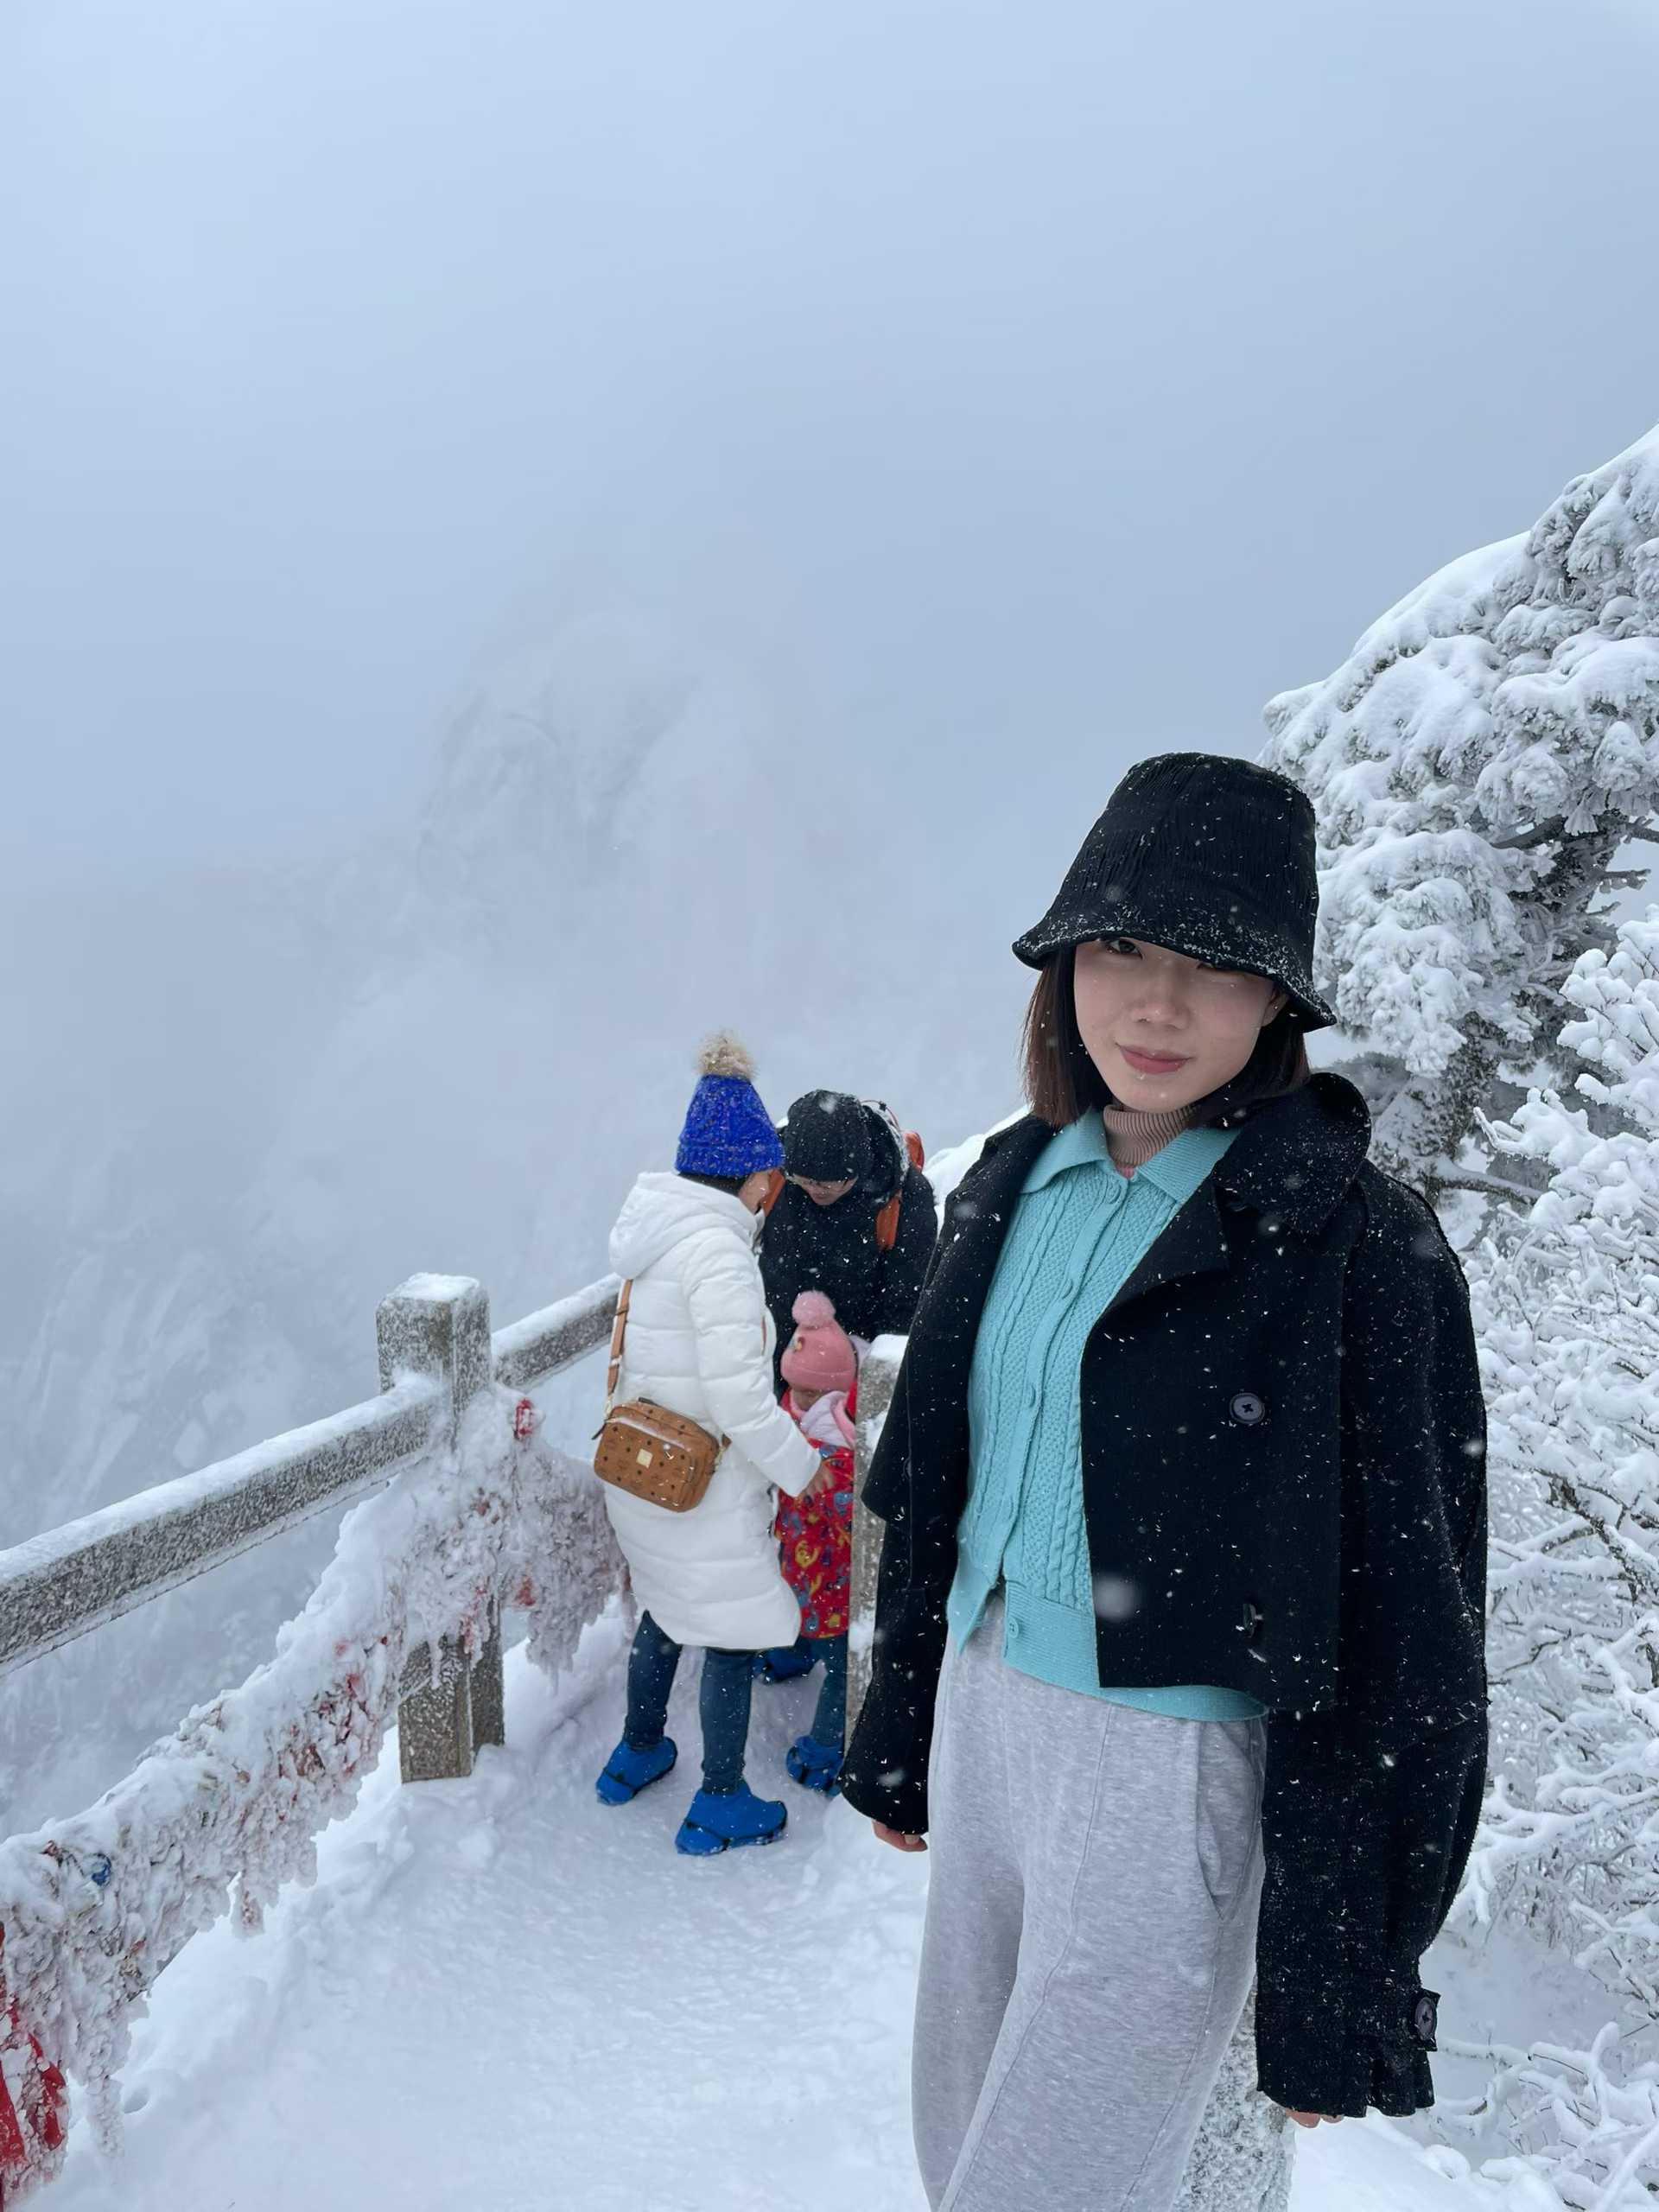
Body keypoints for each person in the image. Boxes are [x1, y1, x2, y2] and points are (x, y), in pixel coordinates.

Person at [839, 753, 1489, 2211]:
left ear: (1277, 1004)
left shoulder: (1350, 1244)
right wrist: (899, 1727)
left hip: (1167, 1766)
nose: (1157, 1005)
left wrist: (1346, 1980)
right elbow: (940, 1482)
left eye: (1215, 966)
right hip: (988, 1717)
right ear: (1066, 965)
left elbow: (1416, 1632)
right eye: (1124, 950)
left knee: (1043, 2187)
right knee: (960, 2151)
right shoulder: (1013, 1181)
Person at [593, 1033, 824, 1857]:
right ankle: (719, 1802)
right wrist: (805, 1468)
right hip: (704, 1482)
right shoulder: (720, 1254)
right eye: (773, 1177)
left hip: (641, 1472)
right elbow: (739, 1396)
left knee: (665, 1605)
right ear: (756, 1176)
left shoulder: (652, 1238)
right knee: (730, 1628)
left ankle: (637, 1751)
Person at [754, 1090, 938, 1686]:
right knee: (788, 1509)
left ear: (859, 1169)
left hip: (861, 1380)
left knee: (842, 1516)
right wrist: (783, 1380)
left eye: (829, 1185)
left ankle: (835, 1640)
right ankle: (795, 1626)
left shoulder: (904, 1201)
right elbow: (773, 1280)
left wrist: (852, 1383)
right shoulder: (782, 1183)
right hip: (792, 1370)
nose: (815, 1193)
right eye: (804, 1180)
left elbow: (905, 1310)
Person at [772, 1291, 861, 1794]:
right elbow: (851, 1518)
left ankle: (784, 1659)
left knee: (795, 1616)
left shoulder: (780, 1422)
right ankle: (825, 1750)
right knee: (845, 1664)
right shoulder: (839, 1452)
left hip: (794, 1567)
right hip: (833, 1579)